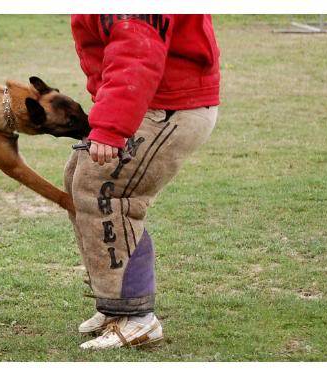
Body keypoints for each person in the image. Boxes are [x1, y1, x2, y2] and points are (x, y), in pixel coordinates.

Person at [64, 14, 221, 349]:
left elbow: (138, 51)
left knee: (105, 189)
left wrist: (111, 125)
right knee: (78, 178)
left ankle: (138, 318)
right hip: (151, 100)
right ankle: (115, 305)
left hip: (171, 104)